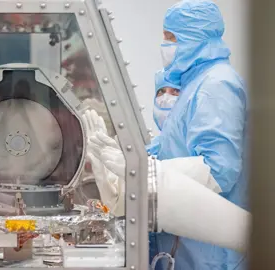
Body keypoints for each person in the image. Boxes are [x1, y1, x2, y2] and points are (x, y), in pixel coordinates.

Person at [91, 1, 247, 269]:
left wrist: (146, 174)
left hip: (208, 255)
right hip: (185, 248)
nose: (165, 46)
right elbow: (167, 150)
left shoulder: (217, 85)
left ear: (195, 37)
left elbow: (218, 170)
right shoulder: (194, 86)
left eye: (171, 38)